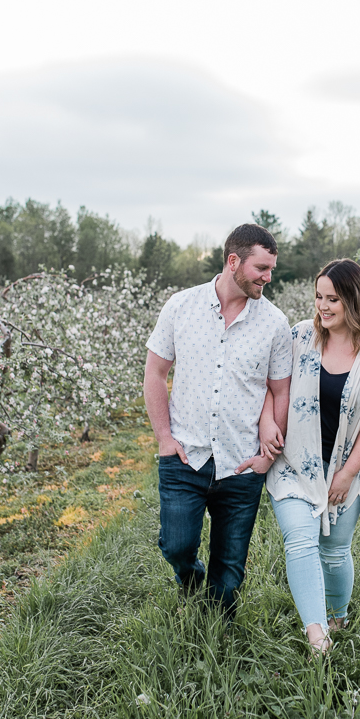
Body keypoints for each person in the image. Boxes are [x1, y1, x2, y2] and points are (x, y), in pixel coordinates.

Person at [143, 223, 292, 618]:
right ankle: (190, 584)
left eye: (272, 269)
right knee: (176, 546)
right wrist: (163, 437)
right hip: (184, 455)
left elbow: (280, 391)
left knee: (228, 576)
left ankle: (216, 640)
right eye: (261, 268)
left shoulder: (275, 323)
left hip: (242, 463)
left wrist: (266, 456)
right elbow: (155, 373)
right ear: (233, 261)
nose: (268, 277)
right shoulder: (181, 307)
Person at [262, 259, 360, 654]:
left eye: (333, 299)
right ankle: (317, 636)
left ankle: (337, 617)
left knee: (335, 552)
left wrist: (346, 473)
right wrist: (267, 422)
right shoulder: (300, 337)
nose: (322, 306)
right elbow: (272, 385)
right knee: (301, 543)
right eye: (319, 296)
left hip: (345, 471)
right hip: (293, 465)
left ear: (354, 301)